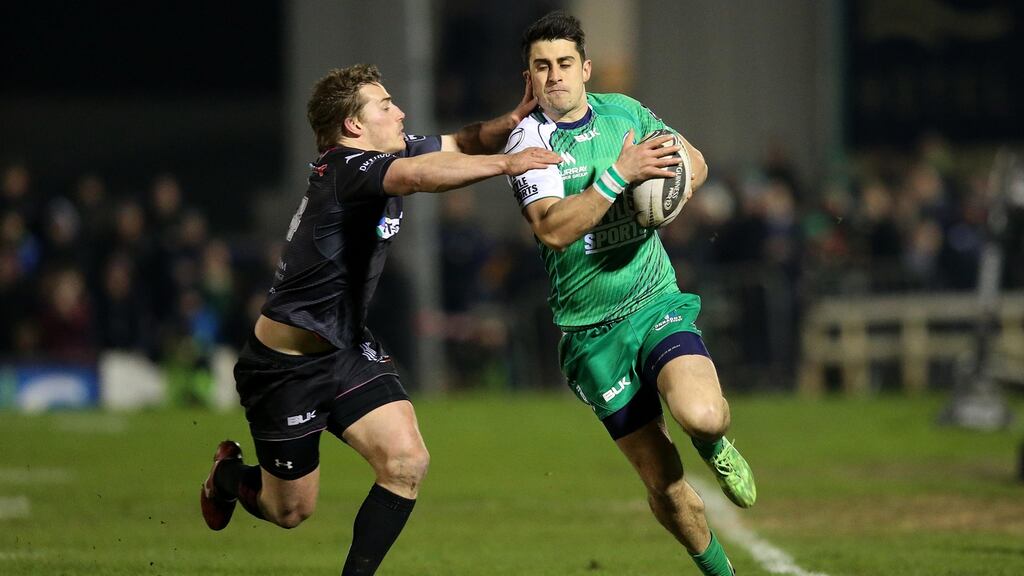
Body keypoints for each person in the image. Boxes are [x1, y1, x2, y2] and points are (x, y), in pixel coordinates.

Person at [199, 63, 560, 575]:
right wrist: (508, 164)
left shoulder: (387, 153)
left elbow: (457, 142)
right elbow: (416, 177)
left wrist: (511, 121)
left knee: (406, 462)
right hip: (284, 369)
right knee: (290, 510)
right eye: (385, 105)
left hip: (344, 349)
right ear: (352, 127)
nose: (400, 112)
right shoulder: (346, 169)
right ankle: (230, 477)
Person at [504, 12, 756, 576]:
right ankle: (721, 571)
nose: (555, 76)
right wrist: (619, 177)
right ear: (530, 76)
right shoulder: (529, 143)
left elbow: (695, 161)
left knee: (703, 416)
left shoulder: (626, 113)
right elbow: (552, 227)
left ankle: (716, 446)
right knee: (664, 484)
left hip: (651, 301)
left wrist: (671, 192)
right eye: (542, 67)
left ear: (585, 68)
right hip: (590, 336)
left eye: (565, 64)